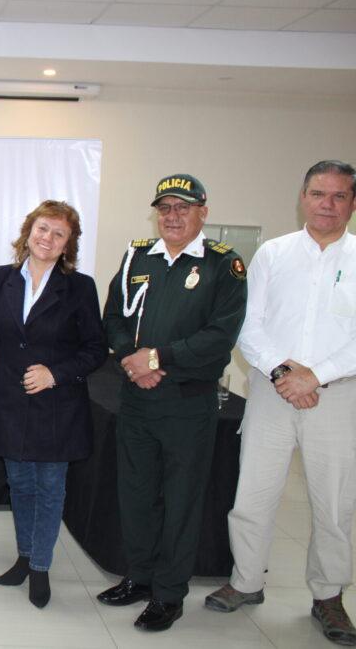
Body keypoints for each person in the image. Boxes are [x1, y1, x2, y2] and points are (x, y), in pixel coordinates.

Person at [203, 160, 356, 646]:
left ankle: (328, 595)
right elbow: (248, 325)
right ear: (302, 198)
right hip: (273, 393)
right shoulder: (273, 253)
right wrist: (284, 374)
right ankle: (246, 581)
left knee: (335, 504)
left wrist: (316, 375)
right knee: (253, 494)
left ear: (352, 203)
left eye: (339, 196)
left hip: (338, 395)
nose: (327, 204)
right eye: (318, 194)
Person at [98, 174, 247, 631]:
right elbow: (114, 317)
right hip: (136, 398)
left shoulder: (223, 264)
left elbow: (220, 335)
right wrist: (132, 360)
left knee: (181, 501)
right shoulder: (137, 256)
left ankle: (168, 594)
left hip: (187, 402)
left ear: (203, 211)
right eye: (165, 208)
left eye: (183, 207)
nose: (173, 216)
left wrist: (157, 358)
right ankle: (139, 576)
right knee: (137, 494)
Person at [0, 200, 106, 608]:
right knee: (20, 485)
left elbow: (96, 350)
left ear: (68, 245)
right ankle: (25, 557)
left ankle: (40, 567)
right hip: (8, 402)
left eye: (59, 234)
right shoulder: (0, 278)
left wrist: (55, 373)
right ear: (29, 232)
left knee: (50, 488)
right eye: (42, 229)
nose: (48, 238)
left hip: (58, 407)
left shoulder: (80, 287)